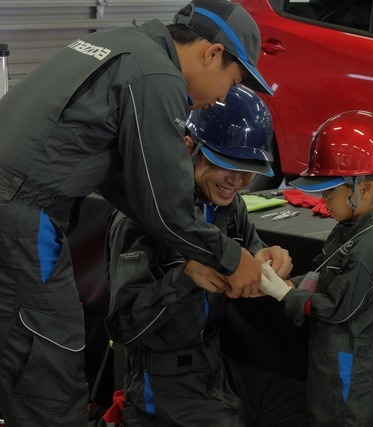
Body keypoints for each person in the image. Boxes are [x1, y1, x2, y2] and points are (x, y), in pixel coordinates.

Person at [0, 0, 273, 424]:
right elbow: (166, 208)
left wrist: (203, 253)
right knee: (48, 375)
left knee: (20, 360)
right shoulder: (157, 76)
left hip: (17, 208)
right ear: (213, 54)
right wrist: (229, 256)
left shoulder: (121, 46)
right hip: (20, 218)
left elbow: (124, 183)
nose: (222, 97)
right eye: (232, 82)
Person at [104, 85, 308, 426]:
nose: (239, 181)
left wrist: (268, 261)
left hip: (215, 368)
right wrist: (185, 277)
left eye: (249, 169)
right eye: (227, 165)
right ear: (189, 148)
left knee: (313, 410)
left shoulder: (231, 207)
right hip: (161, 382)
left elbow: (253, 259)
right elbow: (124, 328)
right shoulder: (140, 217)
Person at [259, 110, 373, 426]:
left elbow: (337, 308)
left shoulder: (371, 244)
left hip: (352, 365)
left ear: (363, 189)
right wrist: (287, 282)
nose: (324, 202)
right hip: (336, 356)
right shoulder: (350, 225)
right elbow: (321, 274)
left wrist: (285, 294)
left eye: (329, 193)